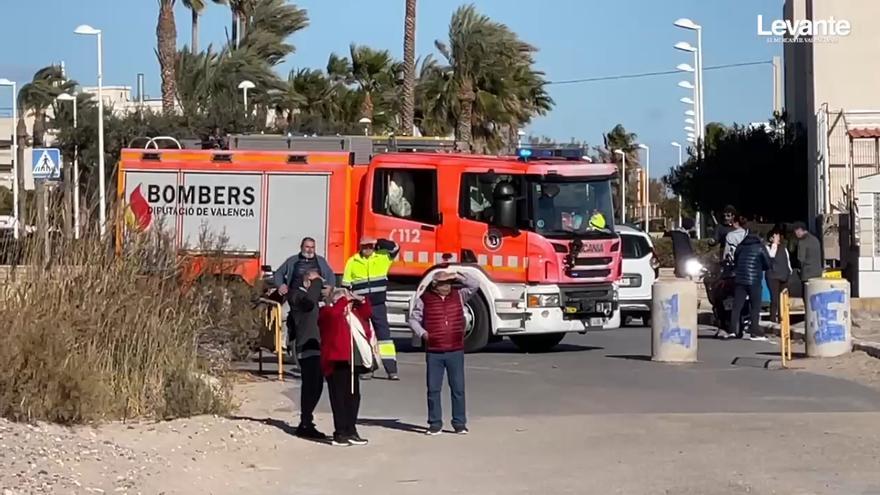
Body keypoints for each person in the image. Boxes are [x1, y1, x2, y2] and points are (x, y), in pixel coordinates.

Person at [410, 270, 480, 435]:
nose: (447, 286)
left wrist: (458, 275)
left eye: (449, 283)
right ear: (436, 285)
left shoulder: (459, 295)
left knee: (458, 388)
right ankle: (435, 424)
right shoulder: (424, 300)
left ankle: (459, 423)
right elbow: (413, 320)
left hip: (455, 349)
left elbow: (475, 284)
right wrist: (423, 334)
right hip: (434, 351)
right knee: (433, 389)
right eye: (444, 283)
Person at [318, 288, 373, 446]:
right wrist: (342, 301)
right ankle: (340, 432)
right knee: (339, 398)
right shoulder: (326, 312)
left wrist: (359, 299)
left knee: (353, 397)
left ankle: (351, 429)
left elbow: (367, 312)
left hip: (351, 361)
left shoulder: (351, 314)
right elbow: (333, 317)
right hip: (335, 360)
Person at [342, 236, 400, 380]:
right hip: (360, 305)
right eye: (364, 246)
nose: (367, 249)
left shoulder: (383, 257)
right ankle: (368, 368)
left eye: (370, 246)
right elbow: (345, 286)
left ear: (374, 247)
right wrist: (352, 299)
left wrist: (381, 241)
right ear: (360, 247)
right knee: (365, 337)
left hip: (378, 304)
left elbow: (396, 248)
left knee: (384, 338)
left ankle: (391, 370)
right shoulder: (352, 261)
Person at [287, 269, 330, 439]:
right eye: (316, 283)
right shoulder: (296, 295)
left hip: (318, 346)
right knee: (310, 385)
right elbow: (309, 304)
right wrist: (317, 282)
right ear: (307, 282)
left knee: (317, 385)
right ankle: (305, 422)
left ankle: (307, 420)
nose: (319, 287)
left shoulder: (315, 298)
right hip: (305, 347)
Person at [726, 233, 771, 339]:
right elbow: (768, 264)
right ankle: (754, 330)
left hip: (740, 280)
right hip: (754, 280)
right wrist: (760, 267)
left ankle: (732, 330)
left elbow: (736, 262)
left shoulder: (740, 247)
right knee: (755, 306)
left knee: (737, 306)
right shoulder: (760, 247)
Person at [766, 229, 792, 323]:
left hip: (784, 275)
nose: (778, 238)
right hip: (773, 276)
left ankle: (783, 317)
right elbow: (770, 256)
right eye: (775, 236)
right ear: (771, 238)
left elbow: (787, 260)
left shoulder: (784, 248)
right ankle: (773, 318)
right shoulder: (768, 248)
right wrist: (774, 244)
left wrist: (789, 270)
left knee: (783, 298)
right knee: (774, 299)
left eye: (778, 236)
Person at [793, 222, 823, 297]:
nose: (795, 234)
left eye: (795, 231)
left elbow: (801, 259)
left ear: (799, 230)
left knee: (807, 297)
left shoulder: (802, 241)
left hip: (807, 275)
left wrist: (798, 271)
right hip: (818, 273)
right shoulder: (815, 239)